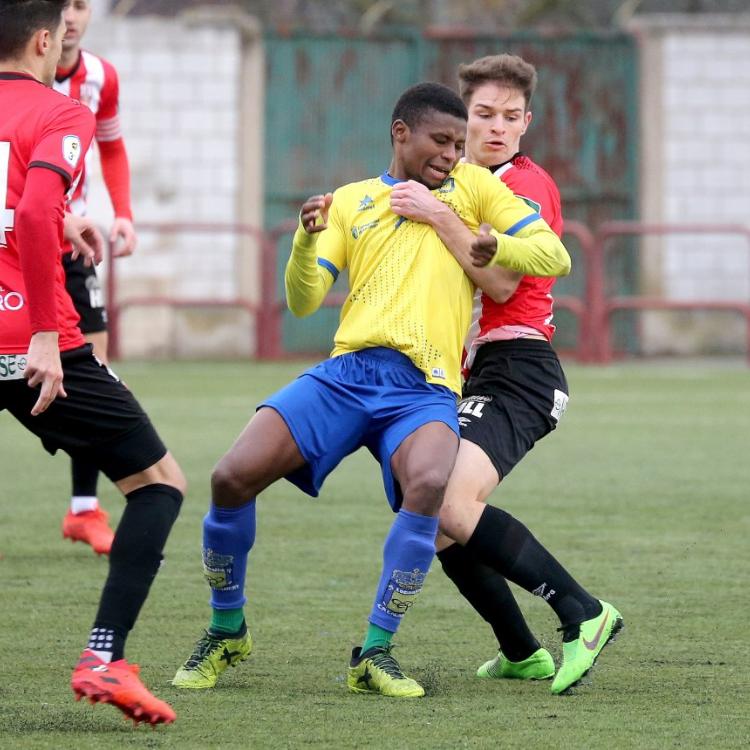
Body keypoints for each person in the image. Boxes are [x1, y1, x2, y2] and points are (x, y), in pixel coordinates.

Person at [171, 81, 570, 698]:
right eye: (442, 140)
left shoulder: (473, 189)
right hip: (346, 376)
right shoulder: (353, 201)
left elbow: (554, 255)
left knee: (433, 486)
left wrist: (496, 243)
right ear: (400, 131)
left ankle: (376, 652)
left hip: (426, 386)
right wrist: (306, 238)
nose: (452, 154)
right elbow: (303, 299)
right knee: (230, 475)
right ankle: (227, 629)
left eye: (460, 144)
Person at [391, 54, 622, 695]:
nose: (496, 127)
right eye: (483, 115)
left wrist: (436, 217)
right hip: (469, 369)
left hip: (519, 367)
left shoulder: (522, 185)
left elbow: (498, 278)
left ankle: (583, 611)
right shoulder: (459, 180)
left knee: (449, 501)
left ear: (527, 123)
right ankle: (521, 651)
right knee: (425, 508)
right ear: (463, 121)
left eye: (510, 117)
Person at [0, 0, 184, 724]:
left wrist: (44, 219)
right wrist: (46, 333)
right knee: (158, 483)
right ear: (44, 40)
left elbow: (28, 207)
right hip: (29, 337)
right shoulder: (56, 111)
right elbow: (41, 194)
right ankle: (104, 659)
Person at [54, 0, 138, 556]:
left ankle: (84, 509)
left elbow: (110, 145)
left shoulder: (101, 76)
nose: (71, 15)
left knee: (95, 372)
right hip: (15, 240)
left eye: (81, 3)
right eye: (62, 4)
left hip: (75, 244)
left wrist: (124, 214)